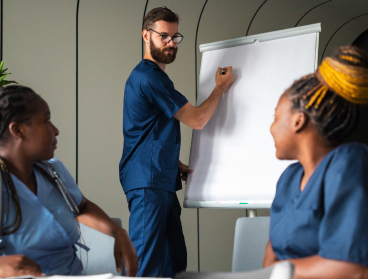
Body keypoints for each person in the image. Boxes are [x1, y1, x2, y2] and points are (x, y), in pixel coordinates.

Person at [119, 6, 234, 277]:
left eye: (175, 37)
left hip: (160, 178)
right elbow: (196, 119)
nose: (171, 43)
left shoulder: (155, 77)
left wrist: (174, 162)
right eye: (164, 37)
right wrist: (220, 88)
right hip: (148, 183)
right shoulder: (148, 77)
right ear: (146, 35)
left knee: (173, 265)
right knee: (146, 267)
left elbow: (148, 130)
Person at [0, 85, 138, 277]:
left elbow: (82, 207)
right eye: (46, 120)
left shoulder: (53, 171)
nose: (56, 130)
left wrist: (116, 230)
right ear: (18, 130)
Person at [263, 45, 368, 279]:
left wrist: (274, 273)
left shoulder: (349, 163)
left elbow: (353, 270)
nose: (271, 127)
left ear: (298, 121)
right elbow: (273, 251)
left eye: (276, 116)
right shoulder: (289, 177)